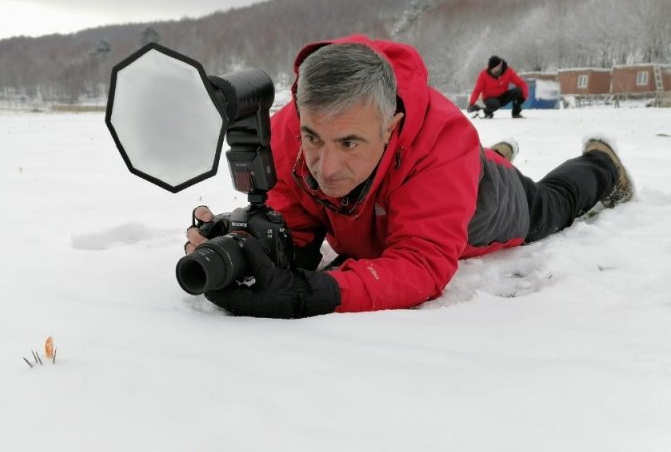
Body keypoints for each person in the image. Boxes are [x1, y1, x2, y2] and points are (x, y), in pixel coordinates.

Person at [184, 35, 634, 318]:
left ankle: (602, 164)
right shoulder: (290, 131)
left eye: (349, 144)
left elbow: (422, 264)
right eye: (313, 138)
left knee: (552, 205)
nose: (325, 167)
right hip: (418, 188)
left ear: (391, 128)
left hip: (481, 200)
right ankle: (497, 152)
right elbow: (297, 212)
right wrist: (257, 247)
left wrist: (309, 293)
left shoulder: (442, 145)